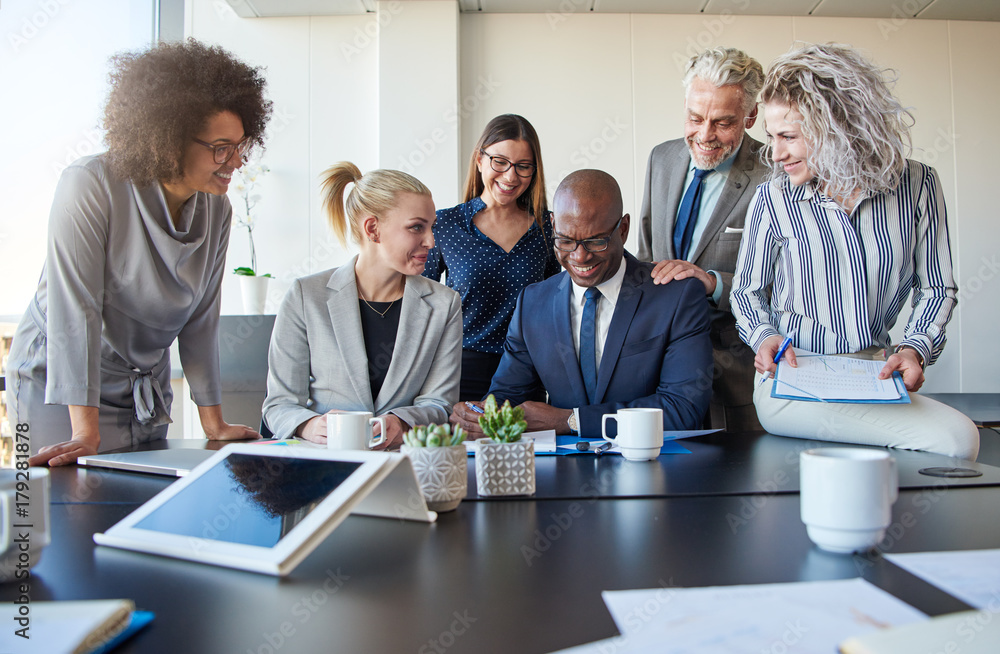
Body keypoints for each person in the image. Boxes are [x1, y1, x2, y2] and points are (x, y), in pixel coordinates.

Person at [9, 40, 272, 466]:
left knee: (131, 511)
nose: (236, 161)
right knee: (42, 518)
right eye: (221, 147)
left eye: (241, 146)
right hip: (57, 388)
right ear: (168, 138)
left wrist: (214, 423)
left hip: (141, 391)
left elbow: (202, 320)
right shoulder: (89, 184)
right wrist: (85, 433)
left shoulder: (216, 209)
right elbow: (77, 310)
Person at [731, 43, 979, 460]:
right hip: (794, 379)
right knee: (956, 439)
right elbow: (746, 292)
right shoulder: (772, 198)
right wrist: (765, 336)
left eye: (789, 137)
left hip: (873, 373)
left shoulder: (917, 185)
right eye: (772, 137)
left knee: (956, 440)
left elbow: (937, 288)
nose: (775, 154)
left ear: (838, 126)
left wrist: (915, 348)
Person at [451, 170, 713, 437]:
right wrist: (483, 414)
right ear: (553, 225)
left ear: (623, 229)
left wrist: (572, 421)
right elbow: (510, 395)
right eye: (565, 241)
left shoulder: (677, 296)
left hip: (653, 467)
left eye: (595, 242)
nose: (580, 256)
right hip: (560, 473)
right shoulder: (533, 302)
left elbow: (683, 409)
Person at [262, 163, 461, 449]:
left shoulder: (444, 304)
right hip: (324, 464)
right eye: (417, 227)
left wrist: (401, 422)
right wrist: (309, 426)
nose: (430, 241)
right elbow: (280, 405)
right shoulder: (307, 296)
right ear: (373, 229)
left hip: (404, 465)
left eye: (431, 228)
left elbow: (439, 403)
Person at [636, 46, 767, 433]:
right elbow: (647, 252)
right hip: (659, 372)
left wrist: (712, 282)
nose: (705, 135)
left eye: (723, 122)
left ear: (751, 116)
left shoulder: (775, 175)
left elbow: (793, 284)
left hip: (734, 373)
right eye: (695, 118)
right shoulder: (662, 158)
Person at [423, 114, 560, 400]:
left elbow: (556, 303)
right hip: (459, 372)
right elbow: (420, 305)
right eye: (500, 162)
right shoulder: (446, 225)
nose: (511, 176)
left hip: (526, 373)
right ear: (479, 160)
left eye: (523, 167)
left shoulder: (547, 227)